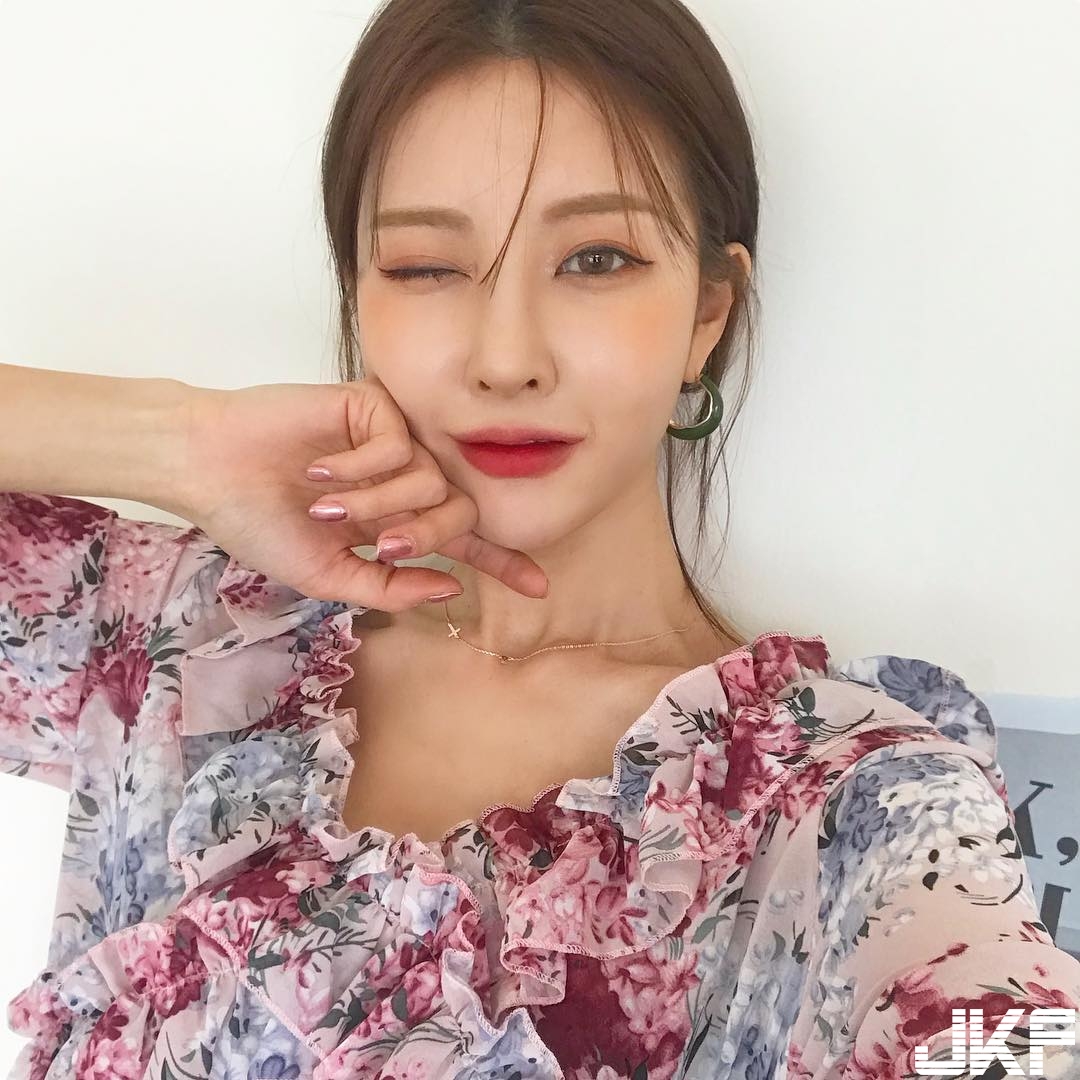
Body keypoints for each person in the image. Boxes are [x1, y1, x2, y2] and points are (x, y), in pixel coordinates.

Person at [2, 0, 1079, 1077]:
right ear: (359, 297)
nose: (506, 357)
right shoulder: (185, 647)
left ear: (708, 312)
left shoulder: (840, 804)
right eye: (424, 267)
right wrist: (177, 439)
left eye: (597, 259)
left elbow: (1014, 1040)